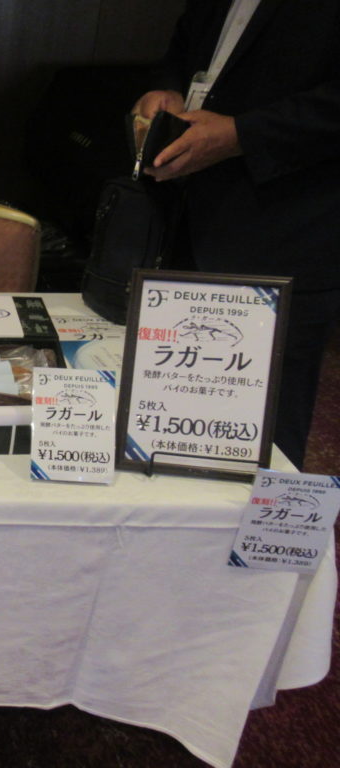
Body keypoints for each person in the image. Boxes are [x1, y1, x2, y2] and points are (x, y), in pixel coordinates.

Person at [131, 0, 340, 470]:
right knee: (173, 406)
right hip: (190, 216)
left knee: (262, 429)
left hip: (288, 226)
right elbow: (190, 46)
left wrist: (243, 134)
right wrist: (166, 91)